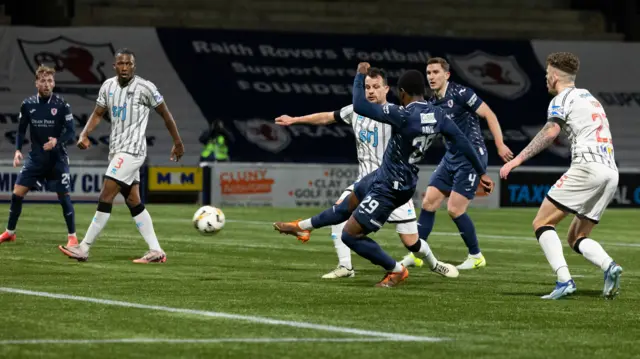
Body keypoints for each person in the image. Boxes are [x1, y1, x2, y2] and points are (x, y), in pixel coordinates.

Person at [274, 63, 493, 287]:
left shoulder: (402, 115)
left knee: (353, 236)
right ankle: (302, 228)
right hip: (385, 175)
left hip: (391, 186)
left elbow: (359, 104)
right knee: (345, 205)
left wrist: (359, 75)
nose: (370, 90)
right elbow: (465, 143)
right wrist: (482, 172)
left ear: (400, 92)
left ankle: (397, 270)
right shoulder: (439, 115)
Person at [500, 52, 622, 300]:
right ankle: (609, 266)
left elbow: (550, 131)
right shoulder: (590, 99)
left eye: (547, 74)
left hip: (587, 167)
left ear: (554, 76)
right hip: (610, 171)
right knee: (577, 236)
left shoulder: (562, 98)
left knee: (541, 223)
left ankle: (564, 281)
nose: (546, 78)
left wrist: (517, 159)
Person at [58, 48, 185, 263]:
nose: (125, 67)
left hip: (132, 150)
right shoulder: (108, 86)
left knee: (105, 195)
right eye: (121, 64)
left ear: (134, 66)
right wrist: (85, 134)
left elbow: (165, 113)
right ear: (114, 66)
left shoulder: (146, 87)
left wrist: (178, 141)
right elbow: (98, 113)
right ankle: (156, 250)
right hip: (117, 150)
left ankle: (84, 247)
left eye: (129, 64)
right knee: (133, 200)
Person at [401, 57, 513, 271]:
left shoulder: (462, 94)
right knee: (428, 203)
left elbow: (489, 114)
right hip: (451, 157)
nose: (431, 77)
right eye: (428, 73)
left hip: (471, 157)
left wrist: (499, 145)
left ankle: (476, 256)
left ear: (447, 75)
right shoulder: (432, 102)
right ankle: (416, 254)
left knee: (454, 209)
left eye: (435, 72)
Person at [0, 65, 77, 247]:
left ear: (54, 83)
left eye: (50, 81)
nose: (46, 84)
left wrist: (56, 141)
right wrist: (18, 150)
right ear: (36, 83)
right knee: (17, 193)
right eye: (43, 81)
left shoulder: (62, 105)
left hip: (57, 158)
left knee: (63, 195)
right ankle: (10, 232)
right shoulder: (27, 104)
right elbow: (20, 131)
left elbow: (71, 132)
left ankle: (72, 236)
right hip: (36, 158)